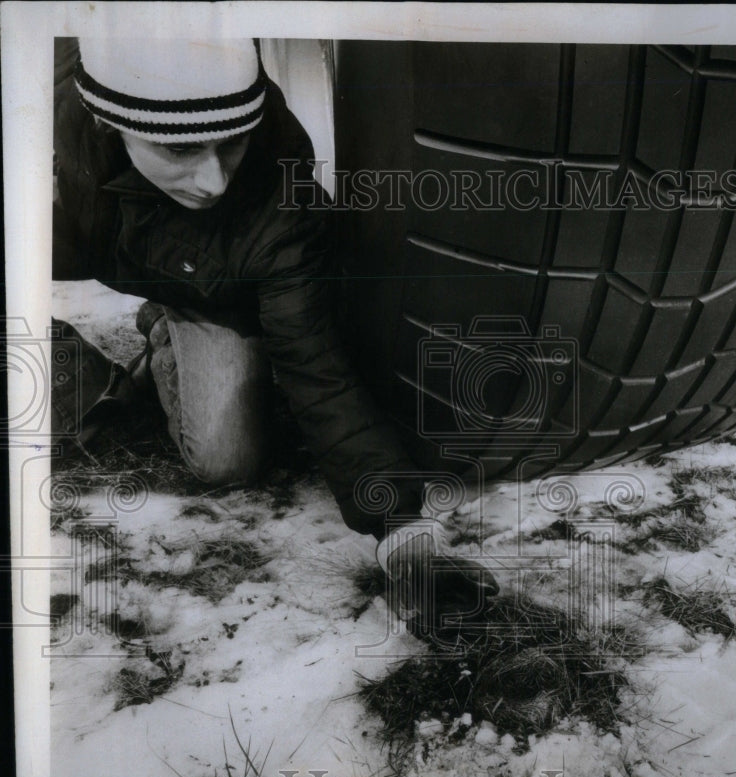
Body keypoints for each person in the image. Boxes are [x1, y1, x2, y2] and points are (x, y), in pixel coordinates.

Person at [51, 37, 496, 643]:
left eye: (232, 141)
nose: (213, 180)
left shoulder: (282, 204)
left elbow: (317, 366)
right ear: (106, 121)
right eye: (179, 146)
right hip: (100, 248)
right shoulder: (35, 126)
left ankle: (166, 332)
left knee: (228, 457)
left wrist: (403, 533)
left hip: (219, 303)